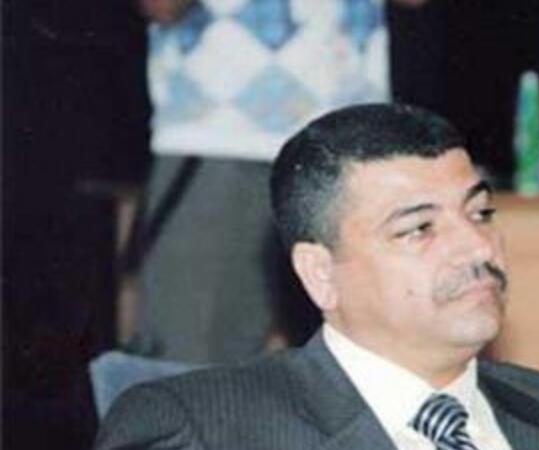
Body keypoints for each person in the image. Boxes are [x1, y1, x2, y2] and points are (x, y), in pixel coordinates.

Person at [96, 104, 539, 450]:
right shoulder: (204, 430)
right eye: (419, 229)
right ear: (320, 274)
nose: (476, 246)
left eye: (480, 214)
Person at [127, 0, 425, 363]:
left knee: (371, 358)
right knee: (190, 360)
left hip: (351, 141)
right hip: (219, 139)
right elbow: (160, 7)